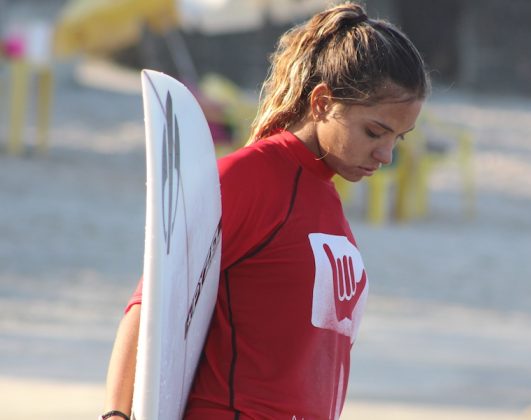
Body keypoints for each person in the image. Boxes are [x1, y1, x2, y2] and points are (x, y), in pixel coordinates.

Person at [102, 2, 429, 419]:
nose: (385, 155)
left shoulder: (325, 196)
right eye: (374, 132)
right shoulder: (249, 179)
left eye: (398, 139)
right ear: (323, 102)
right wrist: (116, 414)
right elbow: (151, 303)